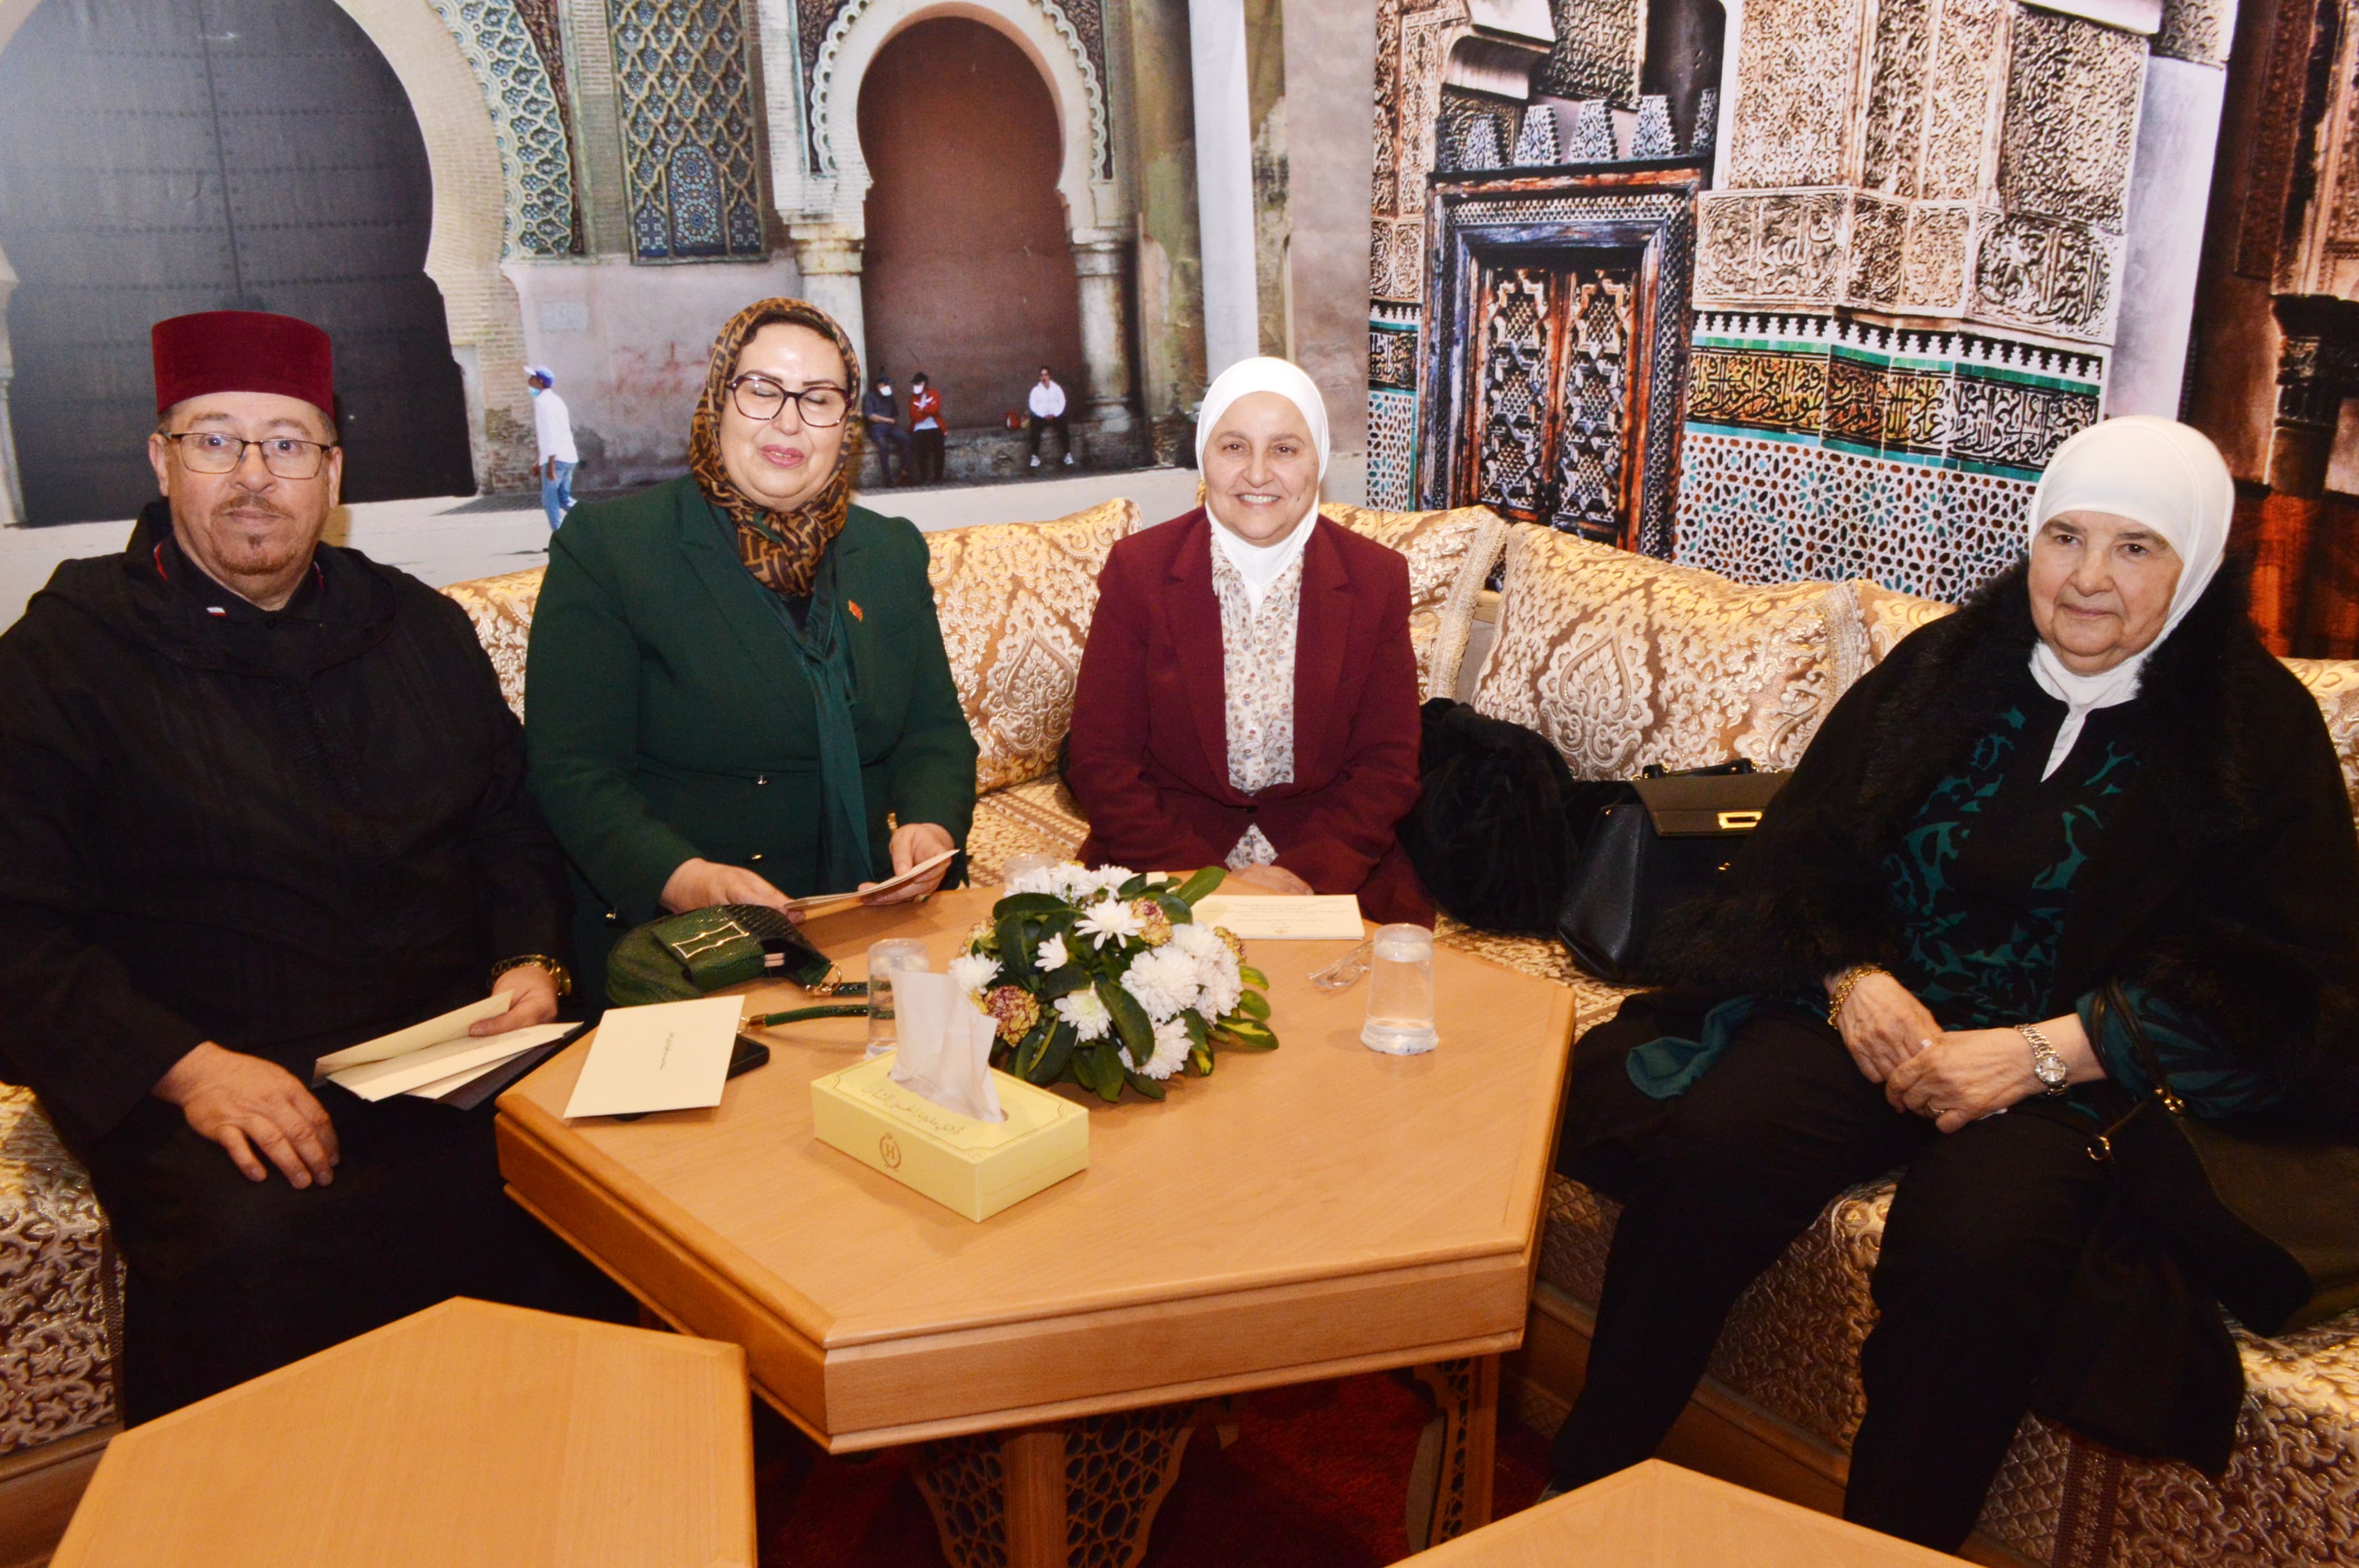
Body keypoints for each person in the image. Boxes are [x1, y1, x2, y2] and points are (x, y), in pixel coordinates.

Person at [1544, 417, 2359, 1548]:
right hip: (1885, 1016)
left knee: (1971, 1250)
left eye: (2134, 548)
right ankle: (1586, 1476)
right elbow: (1799, 852)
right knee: (1716, 1143)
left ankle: (1887, 1549)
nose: (2086, 577)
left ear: (2196, 563)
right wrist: (1849, 979)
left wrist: (2048, 1051)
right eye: (2065, 537)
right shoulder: (1942, 668)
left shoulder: (2254, 731)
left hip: (2082, 1072)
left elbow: (2294, 985)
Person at [0, 311, 629, 1420]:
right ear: (161, 458)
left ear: (332, 473)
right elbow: (19, 932)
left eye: (287, 443)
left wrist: (531, 962)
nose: (254, 475)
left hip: (442, 1048)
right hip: (213, 1070)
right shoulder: (63, 657)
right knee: (258, 1242)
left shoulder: (414, 628)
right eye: (216, 439)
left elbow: (509, 826)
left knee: (611, 1175)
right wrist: (193, 1071)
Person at [525, 299, 978, 991]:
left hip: (874, 911)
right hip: (696, 943)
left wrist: (932, 827)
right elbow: (574, 772)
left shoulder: (888, 550)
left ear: (846, 424)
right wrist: (686, 879)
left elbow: (934, 732)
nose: (789, 421)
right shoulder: (613, 550)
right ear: (718, 401)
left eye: (818, 398)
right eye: (763, 390)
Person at [1067, 357, 1430, 925]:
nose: (1258, 474)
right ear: (1203, 458)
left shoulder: (1375, 578)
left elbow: (1387, 765)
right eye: (1234, 447)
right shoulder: (1139, 571)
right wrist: (1207, 884)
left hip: (1328, 867)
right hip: (1167, 863)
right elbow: (1101, 760)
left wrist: (1303, 877)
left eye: (1284, 449)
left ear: (1318, 460)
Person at [527, 365, 577, 527]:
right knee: (564, 498)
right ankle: (593, 519)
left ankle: (561, 537)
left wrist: (550, 464)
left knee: (550, 501)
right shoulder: (557, 400)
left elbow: (550, 433)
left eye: (532, 378)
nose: (529, 381)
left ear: (540, 382)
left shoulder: (542, 402)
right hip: (568, 456)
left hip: (556, 459)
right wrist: (540, 461)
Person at [863, 375, 910, 486]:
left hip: (890, 427)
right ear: (879, 386)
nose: (888, 387)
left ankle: (905, 472)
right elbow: (871, 416)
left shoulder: (890, 397)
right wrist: (887, 420)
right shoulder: (870, 397)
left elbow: (894, 414)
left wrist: (891, 422)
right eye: (886, 385)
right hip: (877, 428)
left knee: (906, 439)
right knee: (884, 446)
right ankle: (887, 479)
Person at [1028, 366, 1073, 469]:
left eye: (1046, 375)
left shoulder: (1057, 389)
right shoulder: (1035, 391)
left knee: (1064, 427)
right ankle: (1035, 457)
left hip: (1055, 416)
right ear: (1040, 377)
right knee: (1034, 428)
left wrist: (1055, 414)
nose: (1044, 377)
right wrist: (1042, 415)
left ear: (1050, 376)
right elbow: (1033, 405)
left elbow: (1062, 402)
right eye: (1042, 375)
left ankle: (1067, 454)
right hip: (1041, 417)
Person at [908, 372, 945, 484]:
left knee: (939, 450)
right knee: (921, 450)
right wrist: (927, 411)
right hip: (919, 428)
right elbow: (914, 416)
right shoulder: (913, 398)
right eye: (915, 384)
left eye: (918, 384)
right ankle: (924, 477)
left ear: (924, 384)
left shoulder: (933, 393)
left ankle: (938, 477)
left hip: (935, 425)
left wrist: (923, 410)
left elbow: (935, 408)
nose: (916, 386)